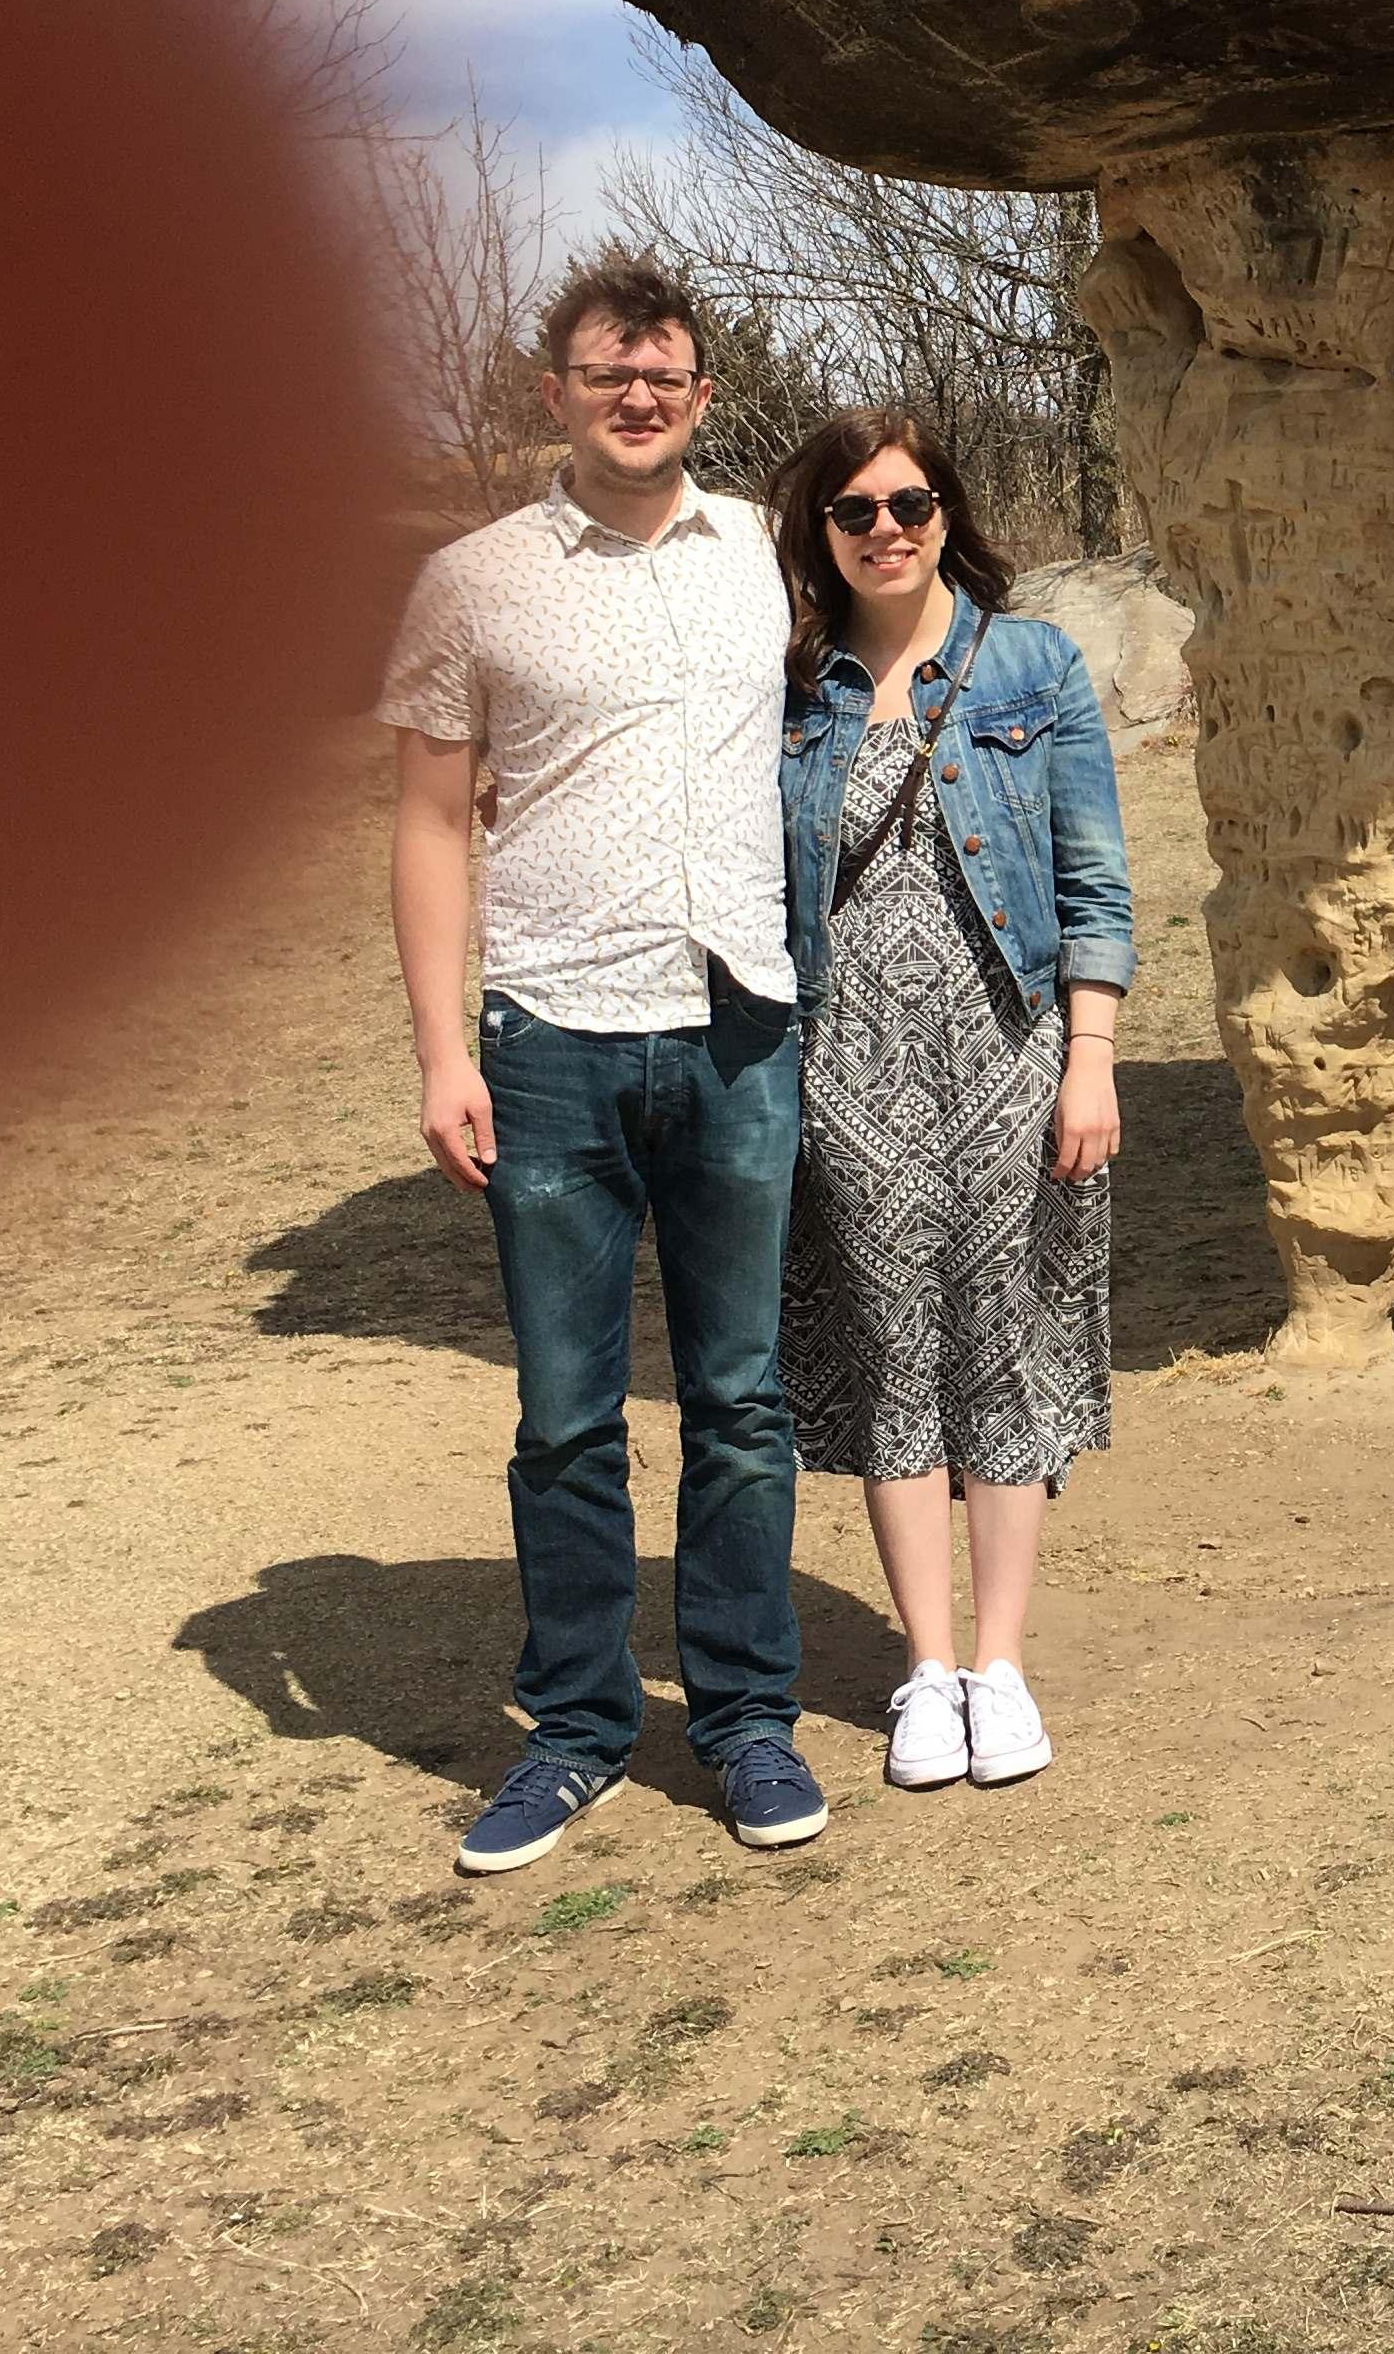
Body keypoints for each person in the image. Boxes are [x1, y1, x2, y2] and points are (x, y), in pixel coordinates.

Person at [380, 253, 828, 1873]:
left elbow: (904, 633)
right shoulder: (471, 582)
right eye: (605, 373)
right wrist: (444, 1054)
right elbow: (432, 821)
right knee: (568, 1417)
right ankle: (575, 1730)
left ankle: (744, 1722)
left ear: (702, 398)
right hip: (553, 1036)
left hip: (738, 1024)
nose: (638, 397)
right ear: (555, 390)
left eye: (666, 377)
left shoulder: (770, 557)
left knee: (739, 1397)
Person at [773, 409, 1135, 1792]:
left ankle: (1001, 1665)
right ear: (820, 532)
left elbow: (1098, 880)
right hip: (844, 1065)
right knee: (892, 1356)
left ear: (947, 513)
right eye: (854, 510)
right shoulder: (791, 687)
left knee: (1002, 1346)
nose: (886, 530)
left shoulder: (1031, 663)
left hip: (1008, 1055)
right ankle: (925, 1670)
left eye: (910, 504)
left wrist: (1090, 1055)